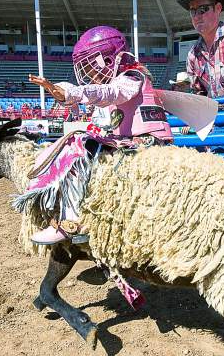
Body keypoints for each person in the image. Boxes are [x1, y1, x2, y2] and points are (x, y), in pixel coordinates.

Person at [23, 25, 172, 245]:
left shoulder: (132, 76)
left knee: (79, 145)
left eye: (92, 65)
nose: (90, 72)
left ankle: (71, 222)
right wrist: (65, 95)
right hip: (130, 140)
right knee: (79, 143)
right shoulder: (117, 81)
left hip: (150, 140)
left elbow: (112, 93)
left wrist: (72, 92)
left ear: (109, 60)